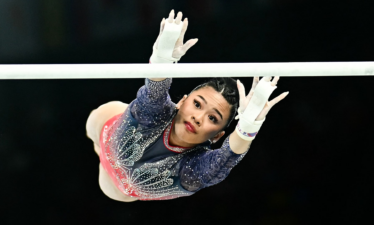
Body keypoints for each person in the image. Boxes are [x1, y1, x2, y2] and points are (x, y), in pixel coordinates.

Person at [86, 9, 289, 202]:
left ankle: (99, 153)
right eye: (197, 104)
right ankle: (98, 147)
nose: (198, 117)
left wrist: (248, 126)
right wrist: (161, 59)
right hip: (104, 125)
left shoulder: (194, 169)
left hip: (116, 188)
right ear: (182, 101)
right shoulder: (155, 113)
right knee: (95, 138)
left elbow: (228, 156)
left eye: (212, 118)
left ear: (218, 135)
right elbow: (155, 91)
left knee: (110, 180)